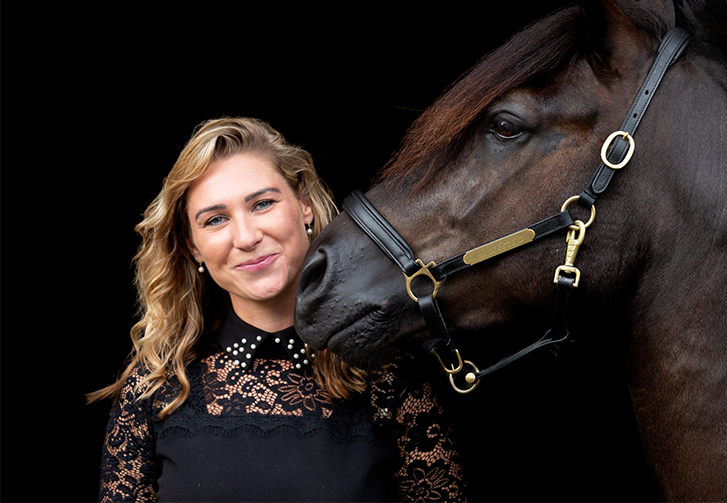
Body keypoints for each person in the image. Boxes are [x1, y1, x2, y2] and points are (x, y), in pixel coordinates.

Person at [91, 117, 468, 502]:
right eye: (216, 219)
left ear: (304, 205)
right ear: (193, 246)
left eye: (263, 204)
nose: (247, 237)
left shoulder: (390, 377)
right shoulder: (157, 386)